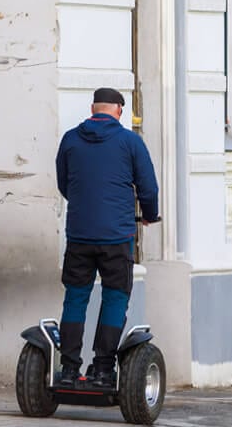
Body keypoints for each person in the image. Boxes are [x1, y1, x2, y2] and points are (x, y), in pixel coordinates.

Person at [55, 88, 159, 387]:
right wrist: (149, 214)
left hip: (79, 235)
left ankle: (70, 369)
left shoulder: (71, 139)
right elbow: (148, 188)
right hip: (117, 237)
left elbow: (65, 183)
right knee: (114, 298)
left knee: (75, 298)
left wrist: (84, 205)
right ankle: (103, 370)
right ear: (119, 111)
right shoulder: (130, 142)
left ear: (92, 109)